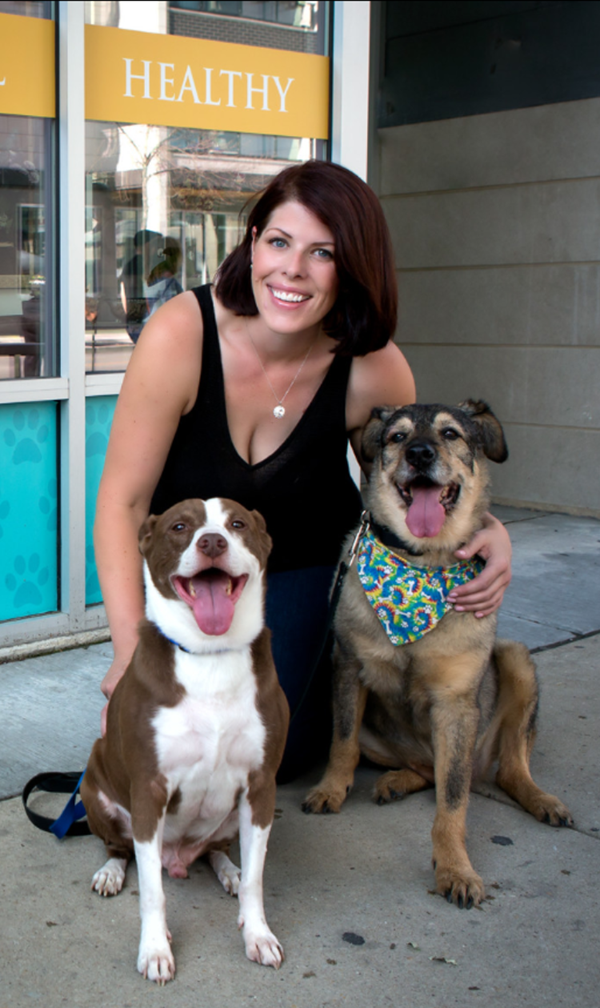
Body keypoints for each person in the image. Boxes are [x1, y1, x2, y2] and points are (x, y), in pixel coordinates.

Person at [95, 160, 511, 781]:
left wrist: (493, 531)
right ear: (253, 241)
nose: (292, 269)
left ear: (354, 269)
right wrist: (128, 652)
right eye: (280, 242)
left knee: (275, 753)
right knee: (178, 753)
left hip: (309, 571)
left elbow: (411, 482)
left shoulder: (373, 368)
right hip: (197, 571)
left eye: (323, 253)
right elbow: (123, 505)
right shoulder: (181, 334)